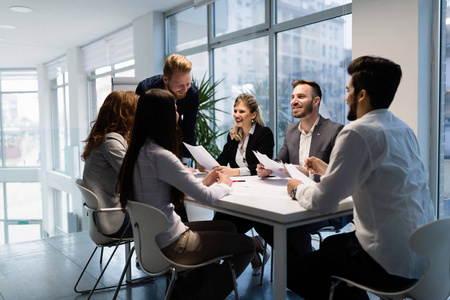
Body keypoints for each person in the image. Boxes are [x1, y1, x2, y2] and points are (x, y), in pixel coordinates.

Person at [286, 56, 435, 299]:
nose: (345, 97)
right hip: (422, 254)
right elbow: (382, 176)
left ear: (362, 95)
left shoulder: (357, 131)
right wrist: (329, 170)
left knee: (294, 272)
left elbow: (322, 202)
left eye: (348, 91)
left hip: (387, 262)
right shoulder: (403, 129)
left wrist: (295, 189)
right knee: (331, 247)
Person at [117, 89, 255, 300]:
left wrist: (204, 181)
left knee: (228, 227)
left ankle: (189, 289)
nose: (178, 113)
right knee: (247, 245)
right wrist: (225, 184)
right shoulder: (161, 156)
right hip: (173, 244)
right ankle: (204, 295)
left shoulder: (137, 152)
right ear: (162, 115)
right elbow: (207, 198)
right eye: (174, 108)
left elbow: (160, 188)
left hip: (152, 241)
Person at [255, 79, 347, 260]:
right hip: (295, 198)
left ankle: (302, 270)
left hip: (327, 204)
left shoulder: (335, 130)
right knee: (261, 221)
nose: (294, 101)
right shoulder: (290, 130)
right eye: (292, 97)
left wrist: (308, 173)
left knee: (293, 227)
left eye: (301, 96)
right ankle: (298, 266)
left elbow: (341, 178)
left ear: (316, 101)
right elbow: (280, 161)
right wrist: (269, 168)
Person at [199, 93, 274, 275]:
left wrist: (235, 171)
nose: (237, 115)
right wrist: (208, 166)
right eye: (235, 110)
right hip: (237, 192)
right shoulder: (233, 136)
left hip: (257, 194)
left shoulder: (264, 134)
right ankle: (254, 248)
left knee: (228, 229)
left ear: (253, 114)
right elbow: (222, 160)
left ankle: (253, 249)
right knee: (221, 227)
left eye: (242, 111)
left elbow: (261, 165)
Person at [81, 90, 139, 238]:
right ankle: (154, 260)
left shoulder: (104, 138)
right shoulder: (110, 142)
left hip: (108, 216)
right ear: (126, 115)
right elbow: (135, 174)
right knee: (165, 221)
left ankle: (148, 259)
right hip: (114, 221)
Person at [136, 53, 199, 164]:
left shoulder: (192, 93)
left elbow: (189, 128)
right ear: (165, 79)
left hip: (175, 143)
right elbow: (140, 127)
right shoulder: (146, 90)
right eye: (179, 85)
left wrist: (185, 162)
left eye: (188, 83)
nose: (184, 89)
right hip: (147, 148)